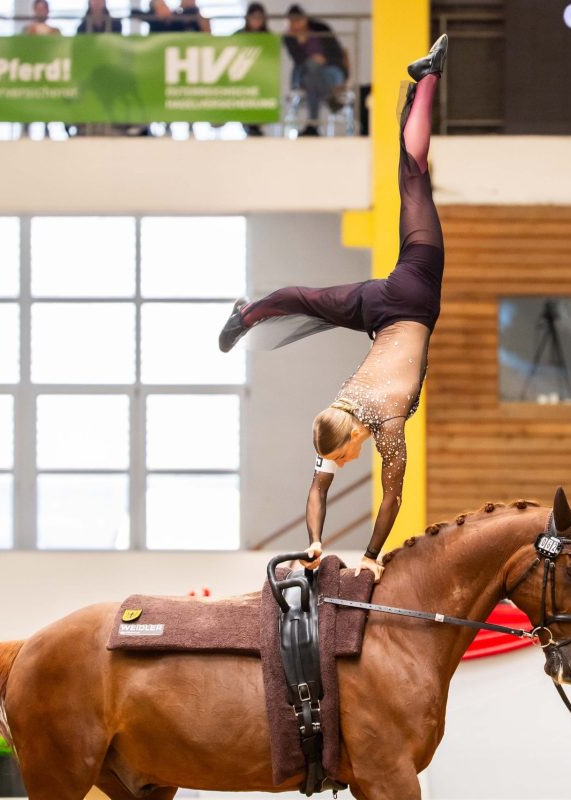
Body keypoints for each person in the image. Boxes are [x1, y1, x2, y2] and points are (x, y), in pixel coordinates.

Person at [218, 35, 448, 582]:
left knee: (414, 177)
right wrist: (315, 542)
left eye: (340, 460)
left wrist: (371, 555)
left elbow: (391, 500)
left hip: (413, 293)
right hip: (380, 308)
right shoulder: (341, 413)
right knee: (304, 294)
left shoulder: (383, 423)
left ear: (345, 441)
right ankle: (246, 316)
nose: (338, 468)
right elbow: (317, 489)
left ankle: (431, 75)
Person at [282, 4, 346, 137]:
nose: (297, 25)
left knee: (312, 78)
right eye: (293, 22)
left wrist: (324, 60)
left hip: (330, 70)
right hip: (305, 73)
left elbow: (337, 53)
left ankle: (313, 126)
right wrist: (299, 43)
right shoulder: (289, 37)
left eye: (299, 20)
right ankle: (329, 98)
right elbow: (299, 60)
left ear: (305, 18)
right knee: (311, 68)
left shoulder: (321, 28)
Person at [236, 2, 269, 137]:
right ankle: (246, 122)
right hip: (242, 76)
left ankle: (254, 123)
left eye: (259, 17)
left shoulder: (268, 37)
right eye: (253, 17)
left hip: (260, 78)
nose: (256, 20)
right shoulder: (238, 35)